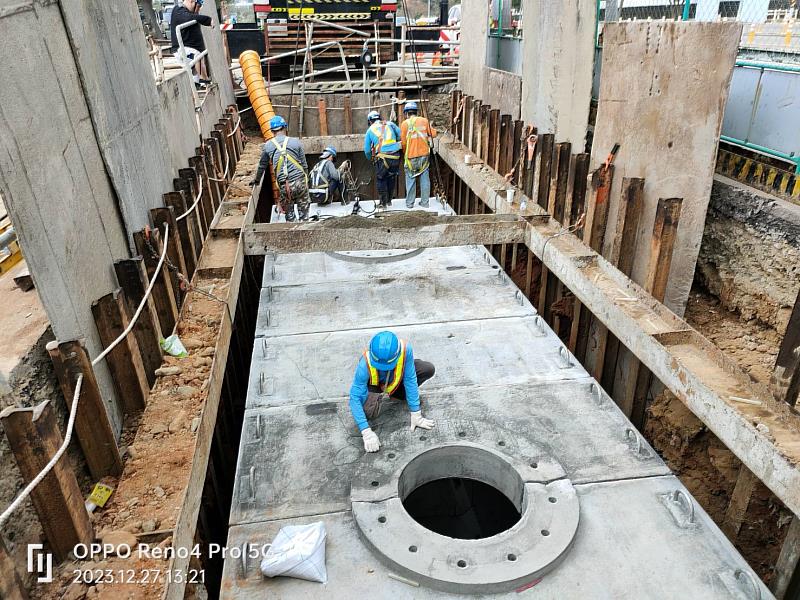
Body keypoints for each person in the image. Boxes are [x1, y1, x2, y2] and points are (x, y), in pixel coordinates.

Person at [349, 331, 436, 453]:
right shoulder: (364, 364)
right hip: (374, 386)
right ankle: (375, 398)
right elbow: (354, 397)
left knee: (427, 369)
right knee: (366, 413)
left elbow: (410, 379)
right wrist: (366, 431)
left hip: (395, 381)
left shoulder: (405, 350)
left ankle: (398, 395)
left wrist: (416, 412)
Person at [251, 115, 310, 221]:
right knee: (304, 215)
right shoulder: (296, 142)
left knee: (290, 216)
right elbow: (304, 166)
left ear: (272, 131)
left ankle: (292, 229)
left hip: (285, 186)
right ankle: (305, 227)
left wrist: (256, 180)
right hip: (300, 182)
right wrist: (305, 183)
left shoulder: (268, 146)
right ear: (285, 127)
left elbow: (262, 166)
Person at [400, 101, 437, 209]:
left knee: (410, 179)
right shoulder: (424, 121)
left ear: (406, 113)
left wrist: (405, 153)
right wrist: (431, 127)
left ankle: (410, 204)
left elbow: (403, 143)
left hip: (411, 156)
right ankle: (425, 203)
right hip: (424, 156)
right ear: (416, 112)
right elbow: (433, 134)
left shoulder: (404, 124)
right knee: (425, 178)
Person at [170, 0, 213, 87]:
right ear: (191, 1)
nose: (198, 10)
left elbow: (194, 17)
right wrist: (208, 20)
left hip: (190, 50)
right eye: (197, 6)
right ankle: (206, 82)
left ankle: (201, 84)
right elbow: (188, 18)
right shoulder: (179, 10)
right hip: (182, 51)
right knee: (197, 57)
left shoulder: (190, 14)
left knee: (196, 80)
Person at [364, 111, 402, 209]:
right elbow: (400, 135)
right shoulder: (390, 124)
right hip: (396, 156)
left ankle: (383, 204)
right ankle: (389, 201)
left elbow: (367, 150)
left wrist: (371, 158)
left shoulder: (370, 130)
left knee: (381, 179)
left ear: (370, 121)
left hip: (383, 158)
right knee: (391, 177)